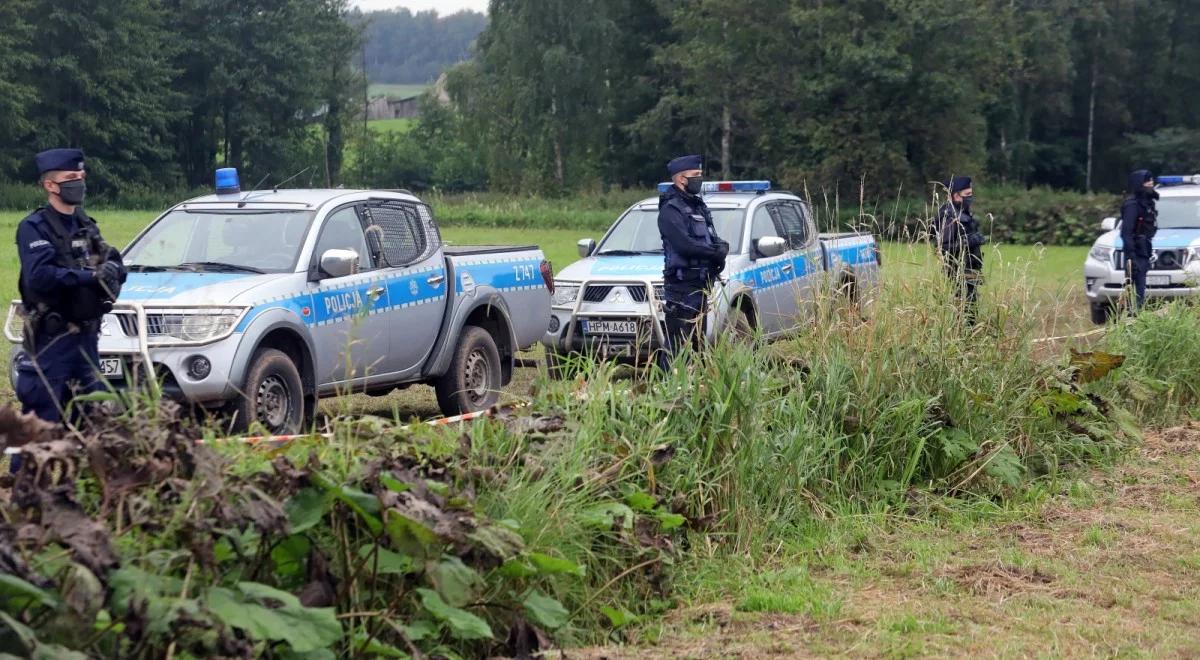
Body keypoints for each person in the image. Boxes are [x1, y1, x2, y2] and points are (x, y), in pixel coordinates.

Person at [14, 148, 127, 433]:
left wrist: (113, 271)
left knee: (92, 425)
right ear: (50, 185)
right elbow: (40, 276)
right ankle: (26, 479)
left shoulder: (85, 225)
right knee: (39, 428)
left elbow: (112, 260)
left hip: (87, 339)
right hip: (52, 341)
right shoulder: (34, 228)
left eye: (81, 176)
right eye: (70, 177)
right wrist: (89, 276)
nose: (79, 182)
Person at [656, 155, 729, 370]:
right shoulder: (671, 210)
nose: (700, 179)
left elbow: (711, 237)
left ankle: (695, 391)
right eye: (695, 176)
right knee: (677, 344)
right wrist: (713, 253)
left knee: (697, 345)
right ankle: (664, 389)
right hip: (681, 288)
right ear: (681, 179)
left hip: (700, 286)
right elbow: (684, 245)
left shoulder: (697, 206)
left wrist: (721, 248)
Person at [936, 175, 986, 323]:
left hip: (970, 269)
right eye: (967, 195)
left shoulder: (964, 213)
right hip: (957, 272)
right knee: (963, 311)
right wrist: (969, 241)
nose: (970, 198)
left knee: (970, 309)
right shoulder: (949, 215)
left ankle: (969, 340)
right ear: (956, 195)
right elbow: (943, 247)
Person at [1119, 169, 1157, 313]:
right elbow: (1126, 233)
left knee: (1141, 289)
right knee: (1133, 289)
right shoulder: (1132, 205)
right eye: (1147, 181)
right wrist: (1132, 258)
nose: (1151, 183)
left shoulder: (1146, 203)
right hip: (1134, 252)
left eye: (1151, 180)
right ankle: (1129, 316)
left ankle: (1140, 315)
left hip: (1144, 250)